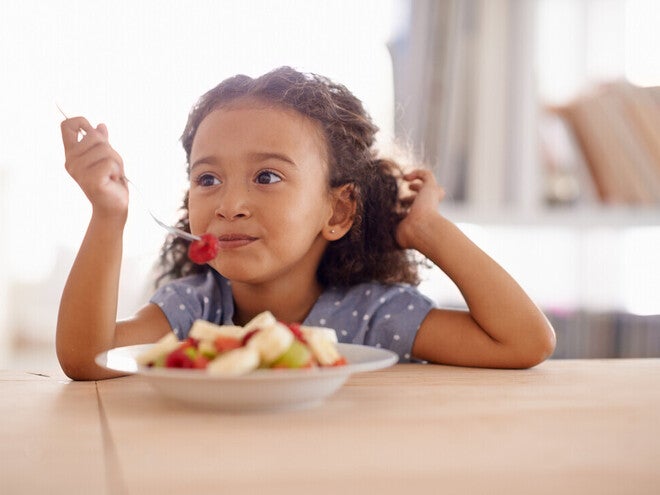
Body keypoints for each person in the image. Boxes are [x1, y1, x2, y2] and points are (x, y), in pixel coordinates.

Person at [57, 66, 555, 380]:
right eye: (207, 179)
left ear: (337, 211)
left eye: (267, 176)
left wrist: (428, 232)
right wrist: (108, 214)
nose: (230, 204)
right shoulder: (196, 307)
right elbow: (89, 358)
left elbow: (525, 341)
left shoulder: (371, 316)